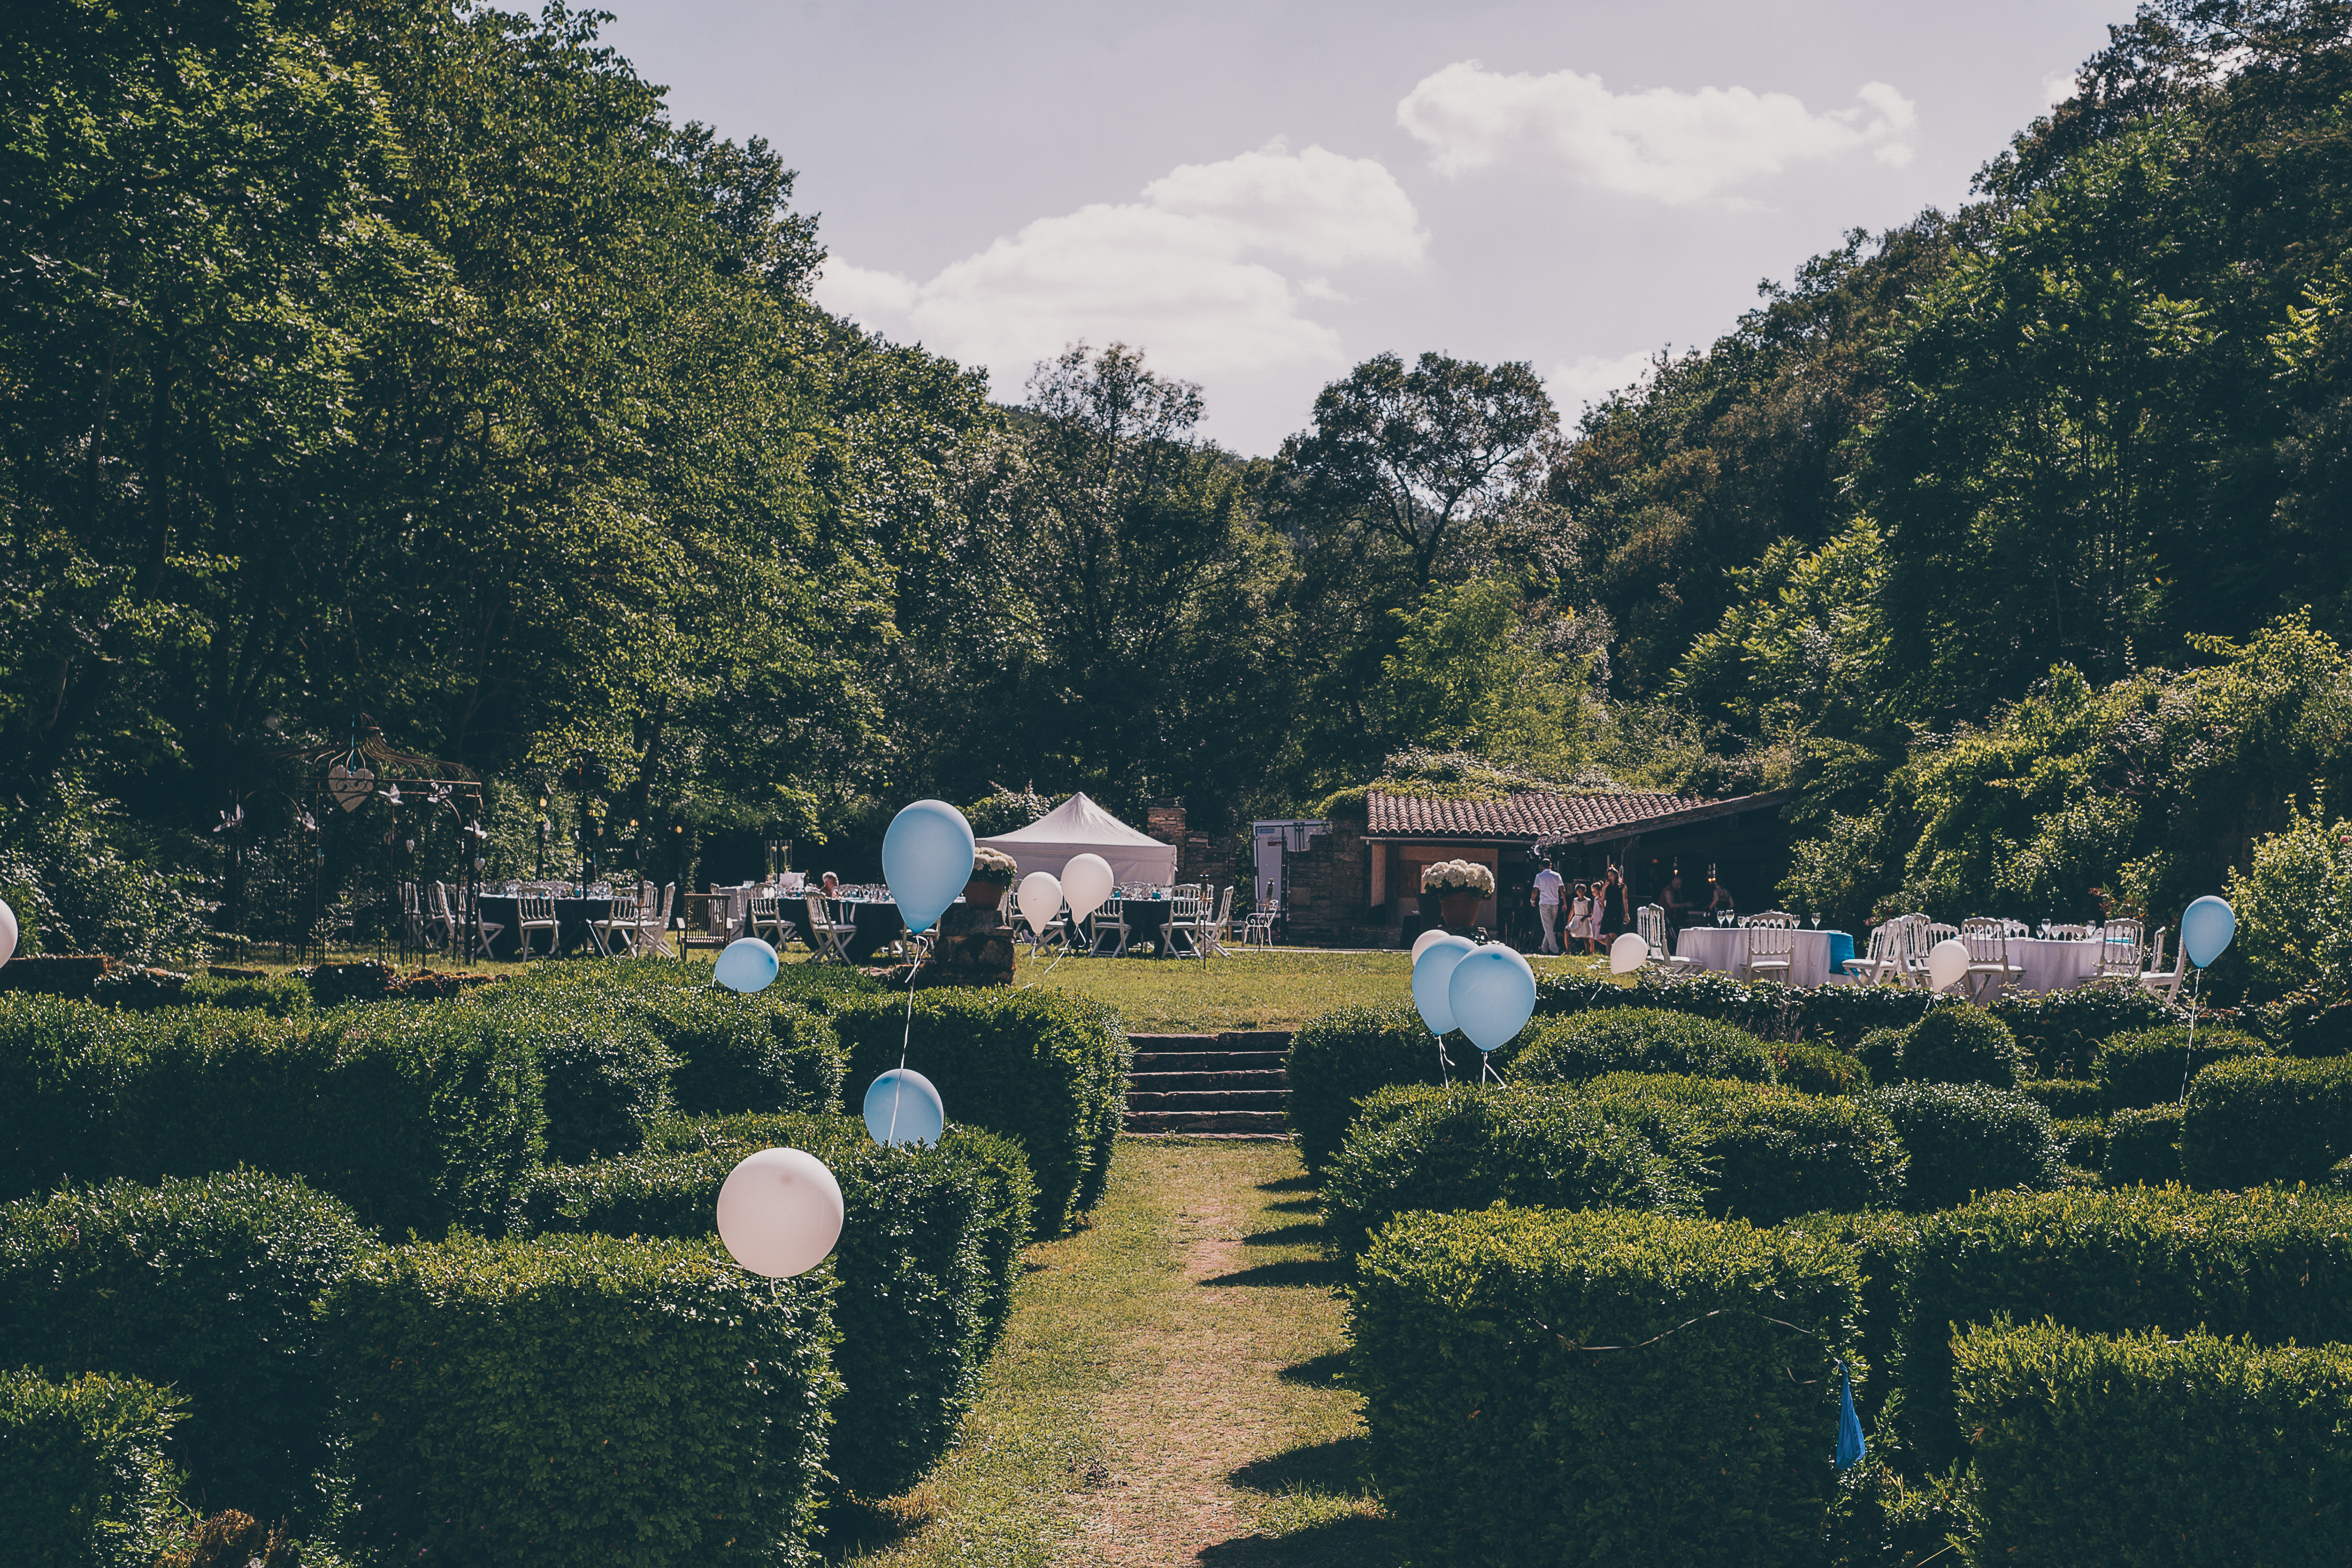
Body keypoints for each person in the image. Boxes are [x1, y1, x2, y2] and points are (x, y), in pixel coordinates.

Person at [1533, 859, 1564, 954]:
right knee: (1550, 927)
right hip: (1555, 903)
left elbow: (1535, 890)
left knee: (1548, 927)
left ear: (1541, 866)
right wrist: (1565, 903)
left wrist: (1532, 900)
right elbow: (1562, 890)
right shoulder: (1557, 876)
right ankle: (1544, 948)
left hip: (1544, 902)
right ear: (1551, 865)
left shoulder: (1539, 876)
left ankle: (1555, 950)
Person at [1569, 880, 1596, 956]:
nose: (1581, 893)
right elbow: (1572, 911)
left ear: (1585, 891)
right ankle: (1568, 950)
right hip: (1576, 919)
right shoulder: (1575, 900)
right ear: (1576, 891)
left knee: (1586, 939)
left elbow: (1590, 913)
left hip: (1584, 920)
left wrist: (1585, 917)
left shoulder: (1588, 901)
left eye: (1582, 891)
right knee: (1567, 931)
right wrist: (1569, 922)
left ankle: (1589, 953)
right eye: (1579, 891)